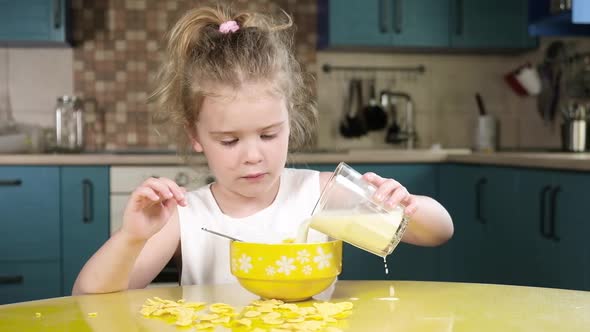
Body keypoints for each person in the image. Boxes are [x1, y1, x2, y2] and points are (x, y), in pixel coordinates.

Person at [72, 5, 453, 295]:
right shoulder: (186, 215)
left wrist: (406, 205)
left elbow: (439, 232)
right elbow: (87, 294)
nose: (252, 155)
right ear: (195, 135)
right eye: (229, 140)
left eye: (269, 135)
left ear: (290, 120)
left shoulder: (321, 194)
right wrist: (131, 238)